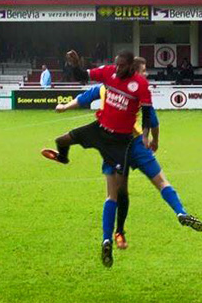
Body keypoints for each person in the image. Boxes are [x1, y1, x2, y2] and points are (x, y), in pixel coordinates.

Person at [56, 57, 202, 251]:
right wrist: (154, 141)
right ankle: (179, 212)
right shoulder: (138, 93)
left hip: (112, 144)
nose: (146, 75)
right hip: (135, 144)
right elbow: (153, 121)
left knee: (113, 195)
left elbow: (84, 97)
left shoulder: (105, 88)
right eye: (143, 71)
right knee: (160, 182)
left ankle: (108, 238)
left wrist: (64, 107)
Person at [41, 50, 154, 268]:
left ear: (131, 66)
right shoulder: (109, 73)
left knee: (120, 192)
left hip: (120, 142)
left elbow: (148, 114)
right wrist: (74, 64)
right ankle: (63, 159)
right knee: (61, 140)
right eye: (116, 64)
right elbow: (83, 76)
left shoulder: (139, 84)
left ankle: (114, 234)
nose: (118, 68)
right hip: (98, 129)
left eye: (122, 66)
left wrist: (147, 136)